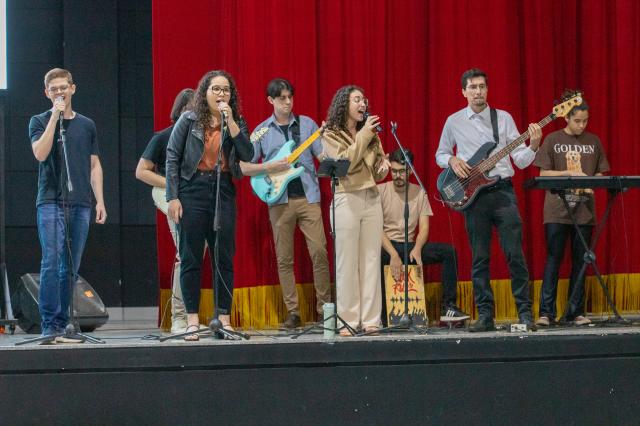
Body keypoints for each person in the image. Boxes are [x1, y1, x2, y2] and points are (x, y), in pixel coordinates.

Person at [435, 68, 541, 332]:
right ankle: (485, 316)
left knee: (515, 255)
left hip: (503, 193)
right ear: (463, 92)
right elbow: (440, 153)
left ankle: (525, 314)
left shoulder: (503, 118)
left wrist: (534, 145)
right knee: (480, 258)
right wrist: (452, 159)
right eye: (472, 87)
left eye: (482, 86)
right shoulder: (454, 121)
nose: (478, 91)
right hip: (474, 197)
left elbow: (520, 160)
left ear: (487, 89)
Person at [165, 70, 253, 341]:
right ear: (205, 93)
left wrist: (232, 123)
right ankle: (192, 320)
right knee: (191, 257)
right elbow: (172, 156)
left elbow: (248, 154)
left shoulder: (236, 121)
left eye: (226, 89)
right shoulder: (189, 119)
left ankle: (223, 319)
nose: (221, 94)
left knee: (223, 257)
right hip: (192, 189)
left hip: (222, 189)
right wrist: (172, 196)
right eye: (216, 89)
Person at [239, 78, 331, 328]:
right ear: (270, 100)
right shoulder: (261, 131)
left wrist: (329, 148)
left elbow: (322, 156)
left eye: (290, 97)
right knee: (284, 259)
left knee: (320, 253)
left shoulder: (308, 124)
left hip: (309, 198)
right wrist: (270, 167)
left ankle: (325, 311)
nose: (288, 102)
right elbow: (244, 167)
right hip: (279, 201)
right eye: (282, 98)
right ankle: (293, 312)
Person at [29, 68, 107, 341]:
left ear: (73, 88)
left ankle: (63, 324)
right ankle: (50, 325)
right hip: (51, 201)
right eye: (54, 89)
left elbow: (94, 164)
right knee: (51, 262)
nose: (59, 92)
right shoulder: (39, 121)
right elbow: (40, 153)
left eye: (64, 87)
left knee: (70, 268)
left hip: (81, 202)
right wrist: (54, 117)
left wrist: (100, 200)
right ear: (47, 93)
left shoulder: (87, 125)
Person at [534, 94, 609, 327]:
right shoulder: (552, 139)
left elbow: (600, 173)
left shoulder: (594, 141)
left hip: (584, 211)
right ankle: (546, 313)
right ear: (566, 118)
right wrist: (569, 173)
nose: (581, 125)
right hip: (557, 211)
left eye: (585, 121)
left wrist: (594, 182)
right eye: (577, 121)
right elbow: (543, 174)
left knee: (581, 262)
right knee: (553, 260)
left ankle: (575, 312)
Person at [322, 85, 389, 336]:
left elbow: (377, 168)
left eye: (364, 100)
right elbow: (345, 164)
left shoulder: (370, 133)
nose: (363, 104)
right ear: (344, 104)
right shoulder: (331, 133)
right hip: (346, 197)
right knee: (347, 262)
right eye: (357, 100)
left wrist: (383, 167)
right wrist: (364, 135)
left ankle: (371, 320)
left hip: (371, 197)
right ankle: (347, 320)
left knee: (371, 259)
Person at [379, 148, 470, 324]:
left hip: (411, 247)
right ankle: (383, 315)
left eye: (402, 172)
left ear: (410, 171)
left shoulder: (419, 192)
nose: (397, 176)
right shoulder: (380, 190)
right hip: (387, 247)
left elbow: (424, 228)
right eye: (394, 171)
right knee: (372, 256)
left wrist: (418, 248)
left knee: (448, 252)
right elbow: (377, 229)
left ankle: (448, 307)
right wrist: (393, 255)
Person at [135, 88, 194, 334]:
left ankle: (191, 316)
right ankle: (179, 317)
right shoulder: (163, 137)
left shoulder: (202, 139)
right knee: (185, 252)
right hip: (166, 193)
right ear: (181, 110)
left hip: (192, 197)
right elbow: (141, 171)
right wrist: (172, 186)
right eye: (192, 108)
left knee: (193, 254)